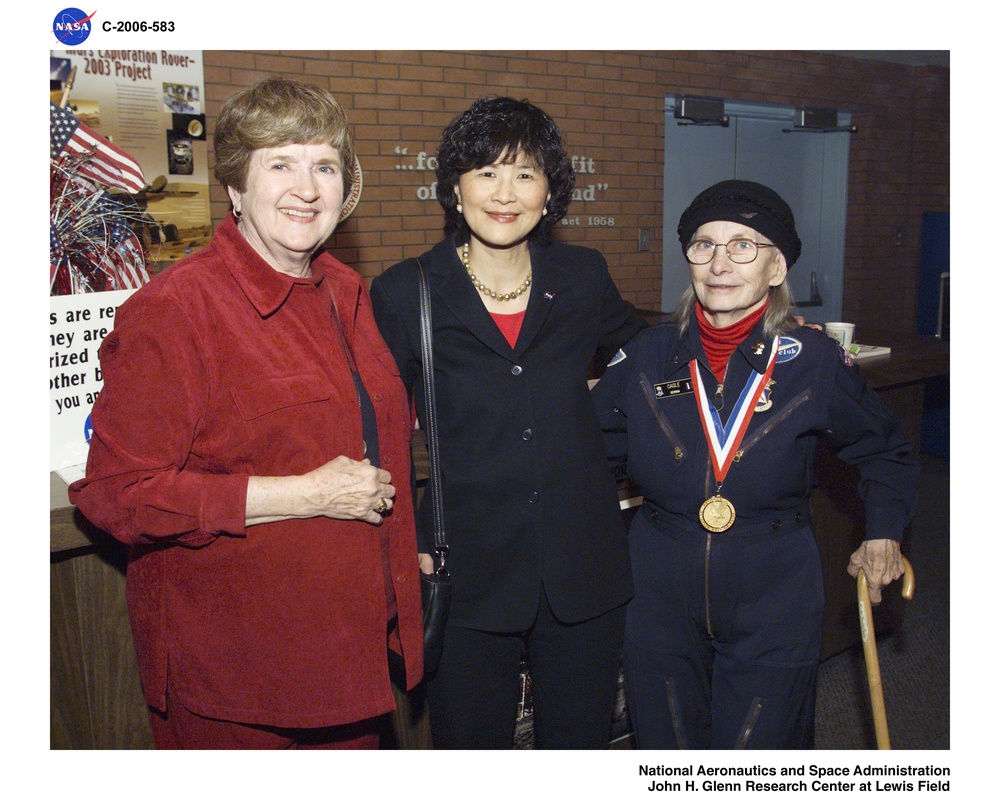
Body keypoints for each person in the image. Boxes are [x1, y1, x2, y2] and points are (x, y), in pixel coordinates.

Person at [69, 77, 424, 749]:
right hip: (243, 685)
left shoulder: (345, 292)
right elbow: (118, 496)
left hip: (350, 662)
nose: (307, 186)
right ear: (235, 186)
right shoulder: (176, 310)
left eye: (324, 165)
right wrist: (304, 495)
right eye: (280, 163)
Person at [590, 179, 918, 749]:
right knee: (667, 742)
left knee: (759, 748)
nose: (720, 263)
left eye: (744, 246)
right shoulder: (646, 353)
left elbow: (884, 448)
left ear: (776, 268)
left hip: (774, 580)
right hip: (658, 578)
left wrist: (884, 532)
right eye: (704, 245)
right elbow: (590, 449)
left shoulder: (812, 359)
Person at [370, 96, 646, 748]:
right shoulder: (406, 291)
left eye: (525, 174)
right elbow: (372, 430)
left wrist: (601, 432)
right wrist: (395, 543)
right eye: (486, 172)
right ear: (454, 186)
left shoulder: (582, 276)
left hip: (584, 565)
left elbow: (649, 356)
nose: (505, 193)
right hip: (464, 568)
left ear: (550, 192)